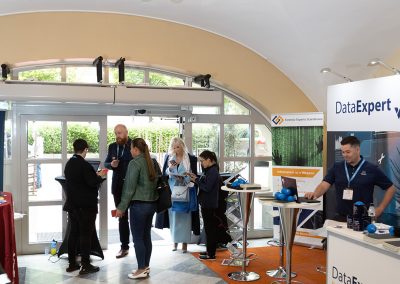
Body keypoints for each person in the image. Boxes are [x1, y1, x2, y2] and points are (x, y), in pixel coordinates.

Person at [305, 136, 396, 220]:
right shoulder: (337, 167)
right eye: (343, 152)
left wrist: (381, 208)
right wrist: (315, 194)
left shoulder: (371, 169)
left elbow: (391, 188)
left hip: (363, 219)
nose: (344, 155)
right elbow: (324, 185)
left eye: (348, 152)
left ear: (357, 149)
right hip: (341, 217)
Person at [115, 138, 159, 280]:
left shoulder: (135, 163)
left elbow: (129, 188)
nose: (129, 151)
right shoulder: (152, 162)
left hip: (138, 206)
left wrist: (121, 208)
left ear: (135, 149)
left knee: (138, 238)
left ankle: (141, 269)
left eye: (131, 148)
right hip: (151, 204)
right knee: (146, 236)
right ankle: (145, 266)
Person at [64, 139, 106, 275]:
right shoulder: (85, 165)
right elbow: (92, 183)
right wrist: (101, 176)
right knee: (85, 235)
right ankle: (86, 265)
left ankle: (72, 264)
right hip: (86, 207)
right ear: (86, 149)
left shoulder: (69, 164)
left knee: (73, 233)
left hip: (73, 206)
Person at [156, 137, 199, 253]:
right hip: (172, 188)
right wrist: (171, 169)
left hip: (186, 187)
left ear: (183, 146)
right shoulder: (170, 157)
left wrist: (187, 176)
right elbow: (165, 172)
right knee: (173, 215)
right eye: (174, 147)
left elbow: (194, 173)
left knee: (185, 215)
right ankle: (175, 242)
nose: (175, 149)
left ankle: (185, 243)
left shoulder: (190, 158)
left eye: (178, 147)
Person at [104, 124, 133, 258]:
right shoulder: (112, 146)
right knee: (121, 217)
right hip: (117, 187)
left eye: (120, 133)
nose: (117, 136)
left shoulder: (134, 145)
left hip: (133, 187)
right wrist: (111, 165)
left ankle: (139, 245)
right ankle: (124, 247)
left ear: (126, 132)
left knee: (136, 217)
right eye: (116, 133)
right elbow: (105, 163)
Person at [189, 150, 221, 260]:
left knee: (210, 229)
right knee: (208, 229)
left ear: (209, 160)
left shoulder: (213, 171)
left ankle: (211, 254)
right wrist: (195, 177)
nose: (201, 163)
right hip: (206, 203)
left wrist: (196, 180)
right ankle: (209, 251)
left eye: (202, 161)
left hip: (209, 204)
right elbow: (204, 182)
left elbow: (207, 187)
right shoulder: (209, 170)